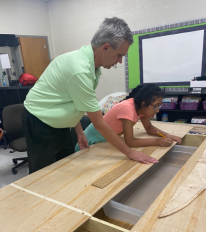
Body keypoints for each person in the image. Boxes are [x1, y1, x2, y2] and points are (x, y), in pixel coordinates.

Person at [22, 17, 158, 174]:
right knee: (42, 174)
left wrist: (79, 132)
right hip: (40, 120)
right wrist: (130, 152)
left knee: (64, 167)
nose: (120, 61)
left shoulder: (93, 67)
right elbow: (99, 124)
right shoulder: (80, 70)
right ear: (105, 48)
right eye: (119, 55)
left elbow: (74, 101)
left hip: (60, 122)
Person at [75, 84, 181, 151]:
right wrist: (157, 142)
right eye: (156, 106)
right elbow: (130, 141)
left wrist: (169, 136)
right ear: (144, 104)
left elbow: (149, 128)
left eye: (159, 106)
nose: (158, 110)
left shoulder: (140, 108)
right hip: (90, 141)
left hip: (107, 139)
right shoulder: (128, 109)